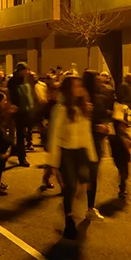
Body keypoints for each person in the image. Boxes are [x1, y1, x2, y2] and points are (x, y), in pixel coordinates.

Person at [47, 76, 98, 240]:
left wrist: (92, 156)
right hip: (66, 151)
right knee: (70, 187)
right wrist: (53, 162)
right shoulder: (61, 109)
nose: (79, 88)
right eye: (75, 86)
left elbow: (87, 134)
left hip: (82, 152)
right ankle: (69, 220)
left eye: (80, 85)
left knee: (84, 185)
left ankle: (73, 208)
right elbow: (54, 135)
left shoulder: (84, 107)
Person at [83, 70, 109, 220]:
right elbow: (80, 122)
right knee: (85, 175)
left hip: (97, 141)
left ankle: (90, 206)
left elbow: (103, 114)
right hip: (84, 142)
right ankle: (74, 205)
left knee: (93, 174)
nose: (99, 80)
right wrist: (95, 127)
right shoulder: (82, 98)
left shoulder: (100, 96)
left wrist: (105, 125)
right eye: (96, 78)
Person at [7, 62, 35, 167]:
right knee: (20, 134)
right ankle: (22, 157)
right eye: (25, 70)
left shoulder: (26, 79)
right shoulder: (13, 82)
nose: (27, 72)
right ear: (20, 70)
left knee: (25, 133)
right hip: (19, 112)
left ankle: (15, 149)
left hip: (27, 110)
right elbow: (12, 96)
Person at [109, 119, 131, 199]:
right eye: (122, 126)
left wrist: (129, 143)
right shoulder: (114, 136)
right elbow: (115, 148)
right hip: (118, 157)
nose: (125, 128)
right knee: (123, 173)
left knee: (125, 173)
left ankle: (122, 186)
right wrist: (123, 144)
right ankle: (122, 190)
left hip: (125, 157)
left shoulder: (125, 134)